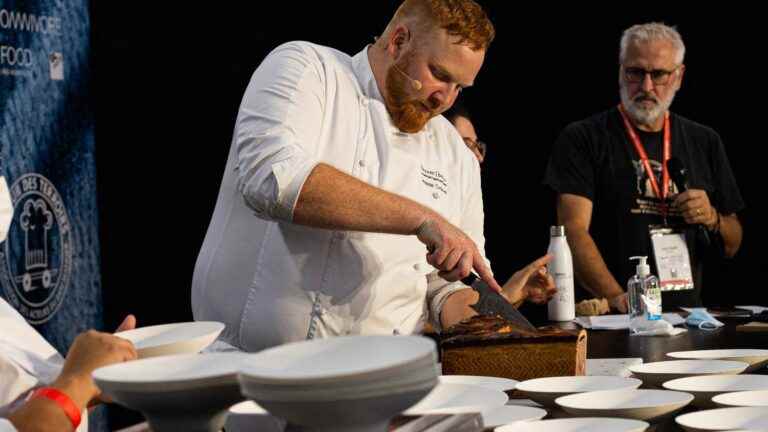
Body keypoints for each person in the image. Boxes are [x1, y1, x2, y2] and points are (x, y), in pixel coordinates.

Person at [192, 0, 554, 353]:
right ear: (398, 41)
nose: (444, 99)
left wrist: (498, 336)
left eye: (459, 87)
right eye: (440, 75)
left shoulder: (456, 153)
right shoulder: (308, 70)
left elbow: (446, 287)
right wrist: (423, 219)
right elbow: (273, 181)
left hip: (382, 380)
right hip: (252, 371)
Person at [544, 22, 744, 312]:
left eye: (659, 74)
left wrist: (712, 217)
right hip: (612, 315)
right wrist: (620, 300)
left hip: (688, 317)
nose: (646, 87)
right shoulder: (583, 137)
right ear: (620, 71)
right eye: (636, 73)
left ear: (679, 77)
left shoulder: (704, 140)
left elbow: (733, 243)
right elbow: (572, 230)